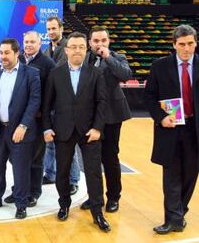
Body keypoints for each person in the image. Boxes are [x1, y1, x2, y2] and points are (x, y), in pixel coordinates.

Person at [42, 32, 111, 232]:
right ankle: (64, 204)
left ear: (86, 49)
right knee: (62, 171)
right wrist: (46, 127)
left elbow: (102, 103)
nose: (77, 50)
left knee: (94, 173)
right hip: (62, 131)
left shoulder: (95, 73)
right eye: (73, 47)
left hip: (89, 131)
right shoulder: (55, 74)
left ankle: (97, 211)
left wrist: (98, 128)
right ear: (66, 50)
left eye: (81, 46)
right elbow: (47, 105)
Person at [144, 24, 199, 235]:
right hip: (170, 127)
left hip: (195, 129)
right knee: (172, 175)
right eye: (182, 44)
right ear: (174, 44)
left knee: (190, 175)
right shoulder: (159, 66)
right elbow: (149, 97)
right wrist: (161, 118)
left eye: (191, 43)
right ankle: (173, 219)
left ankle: (179, 212)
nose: (187, 48)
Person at [0, 38, 41, 220]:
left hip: (20, 132)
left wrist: (23, 126)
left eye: (7, 53)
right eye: (1, 53)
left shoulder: (31, 73)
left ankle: (21, 204)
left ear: (17, 53)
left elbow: (34, 102)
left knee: (20, 169)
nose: (3, 56)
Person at [80, 27, 132, 212]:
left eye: (103, 40)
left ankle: (113, 197)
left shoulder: (117, 58)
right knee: (91, 160)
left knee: (110, 158)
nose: (99, 44)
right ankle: (95, 197)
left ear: (108, 41)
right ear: (90, 43)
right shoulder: (85, 58)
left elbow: (126, 75)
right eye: (96, 41)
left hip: (111, 116)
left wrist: (108, 57)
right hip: (89, 117)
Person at [4, 30, 55, 207]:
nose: (29, 45)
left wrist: (43, 113)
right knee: (18, 159)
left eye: (33, 42)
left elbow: (50, 93)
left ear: (40, 44)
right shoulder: (19, 61)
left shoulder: (47, 63)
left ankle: (34, 192)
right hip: (17, 120)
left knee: (35, 158)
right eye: (26, 42)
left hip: (37, 120)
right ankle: (20, 189)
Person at [42, 16, 80, 196]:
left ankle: (73, 180)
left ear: (61, 29)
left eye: (54, 28)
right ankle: (50, 173)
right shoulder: (46, 50)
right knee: (50, 143)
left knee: (67, 143)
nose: (51, 32)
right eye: (48, 29)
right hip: (51, 103)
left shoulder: (67, 49)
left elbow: (57, 73)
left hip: (65, 105)